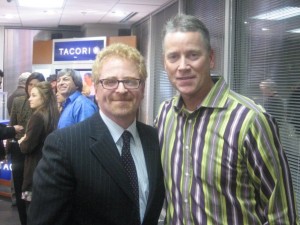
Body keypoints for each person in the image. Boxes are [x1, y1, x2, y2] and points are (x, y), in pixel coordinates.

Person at [155, 14, 299, 225]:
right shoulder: (165, 115)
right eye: (173, 57)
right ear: (164, 63)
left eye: (193, 55)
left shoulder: (250, 120)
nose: (183, 66)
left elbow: (282, 215)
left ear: (211, 58)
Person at [27, 43, 165, 225]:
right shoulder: (64, 145)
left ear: (143, 89)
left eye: (131, 81)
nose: (121, 90)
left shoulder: (155, 140)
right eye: (110, 82)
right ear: (96, 90)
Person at [7, 72, 45, 225]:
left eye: (36, 84)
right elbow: (12, 125)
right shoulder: (18, 101)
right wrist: (9, 146)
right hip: (19, 149)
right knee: (20, 187)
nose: (32, 88)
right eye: (30, 84)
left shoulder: (48, 104)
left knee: (35, 188)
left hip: (38, 151)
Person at [18, 81, 59, 210]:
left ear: (44, 97)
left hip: (34, 171)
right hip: (47, 170)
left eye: (34, 95)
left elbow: (26, 147)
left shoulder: (37, 117)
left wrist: (22, 141)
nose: (30, 98)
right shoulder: (54, 114)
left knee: (31, 212)